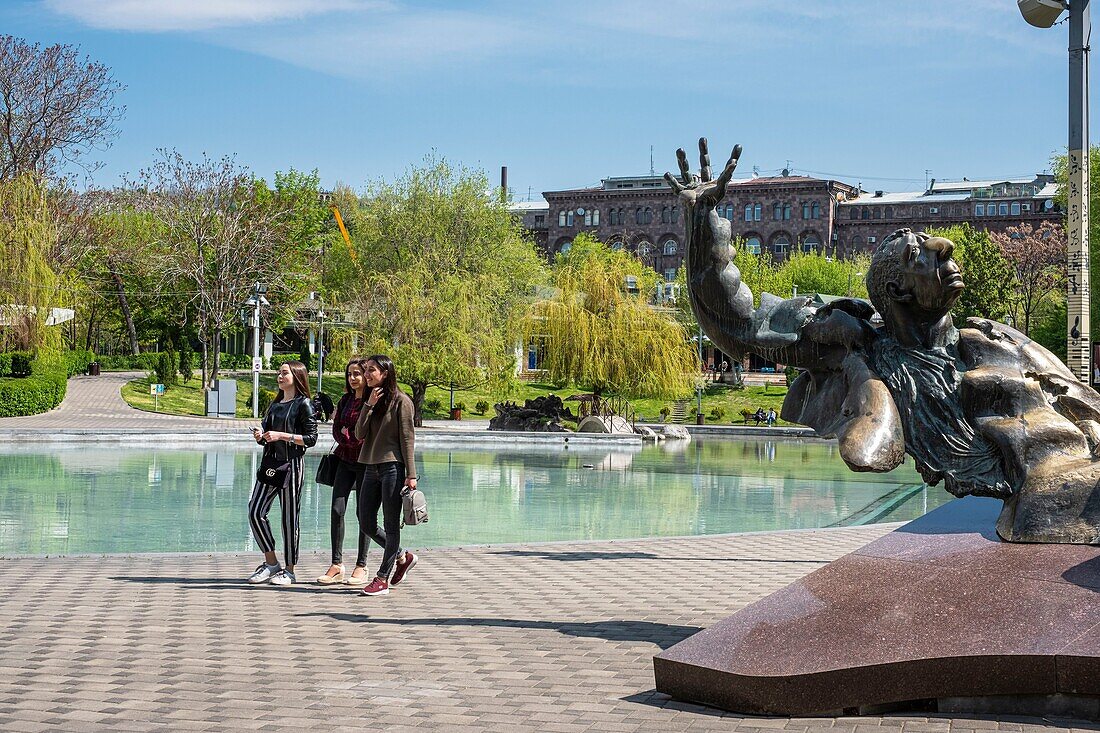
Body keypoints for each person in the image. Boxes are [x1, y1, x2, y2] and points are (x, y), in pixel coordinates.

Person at [247, 361, 318, 586]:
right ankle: (271, 563)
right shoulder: (275, 405)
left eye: (284, 373)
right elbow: (268, 435)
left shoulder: (304, 404)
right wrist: (261, 436)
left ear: (297, 376)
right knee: (255, 512)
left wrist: (282, 436)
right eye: (279, 373)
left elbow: (311, 439)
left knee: (289, 520)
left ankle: (290, 570)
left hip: (292, 466)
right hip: (271, 465)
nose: (280, 376)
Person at [354, 354, 420, 597]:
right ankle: (403, 556)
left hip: (393, 467)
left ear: (385, 373)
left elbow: (407, 439)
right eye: (366, 370)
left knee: (392, 524)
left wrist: (411, 474)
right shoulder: (371, 399)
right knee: (365, 520)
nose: (367, 374)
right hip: (370, 466)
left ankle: (382, 579)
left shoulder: (402, 401)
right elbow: (359, 434)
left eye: (372, 370)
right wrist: (369, 405)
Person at [317, 358, 373, 586]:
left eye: (357, 374)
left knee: (364, 514)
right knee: (337, 509)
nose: (353, 378)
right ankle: (337, 564)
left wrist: (348, 434)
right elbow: (336, 429)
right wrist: (348, 436)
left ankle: (362, 565)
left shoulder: (372, 401)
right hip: (344, 460)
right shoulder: (346, 399)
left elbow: (366, 434)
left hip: (365, 463)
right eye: (350, 374)